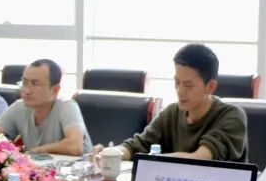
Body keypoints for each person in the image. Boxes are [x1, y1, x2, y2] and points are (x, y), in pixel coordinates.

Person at [105, 44, 248, 162]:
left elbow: (201, 159)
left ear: (210, 86)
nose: (180, 91)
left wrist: (151, 161)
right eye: (177, 82)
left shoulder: (232, 116)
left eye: (188, 85)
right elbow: (137, 146)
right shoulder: (171, 113)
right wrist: (110, 153)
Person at [0, 59, 92, 155]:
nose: (27, 91)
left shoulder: (67, 107)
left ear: (55, 90)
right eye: (24, 83)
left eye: (35, 84)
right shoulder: (19, 107)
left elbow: (75, 146)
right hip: (38, 165)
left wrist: (37, 151)